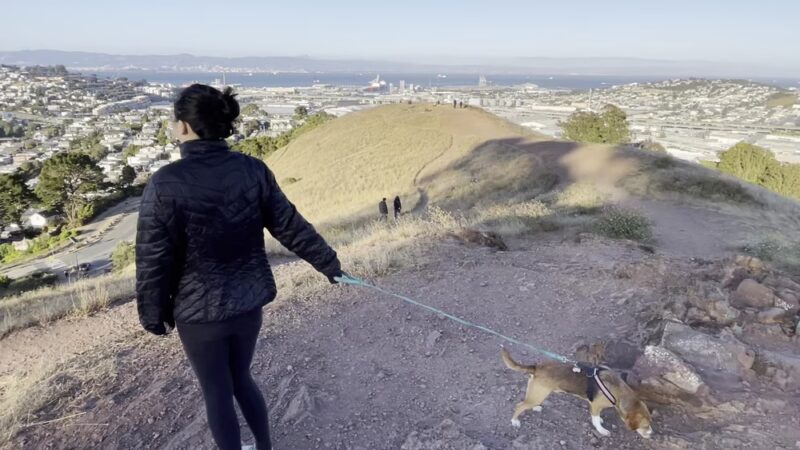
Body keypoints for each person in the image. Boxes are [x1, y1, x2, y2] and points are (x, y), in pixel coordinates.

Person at [135, 84, 344, 450]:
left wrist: (153, 315)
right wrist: (329, 263)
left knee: (217, 391)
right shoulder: (253, 169)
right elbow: (290, 226)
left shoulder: (165, 183)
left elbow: (153, 258)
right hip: (248, 302)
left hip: (199, 313)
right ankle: (264, 447)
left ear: (184, 126)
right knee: (242, 378)